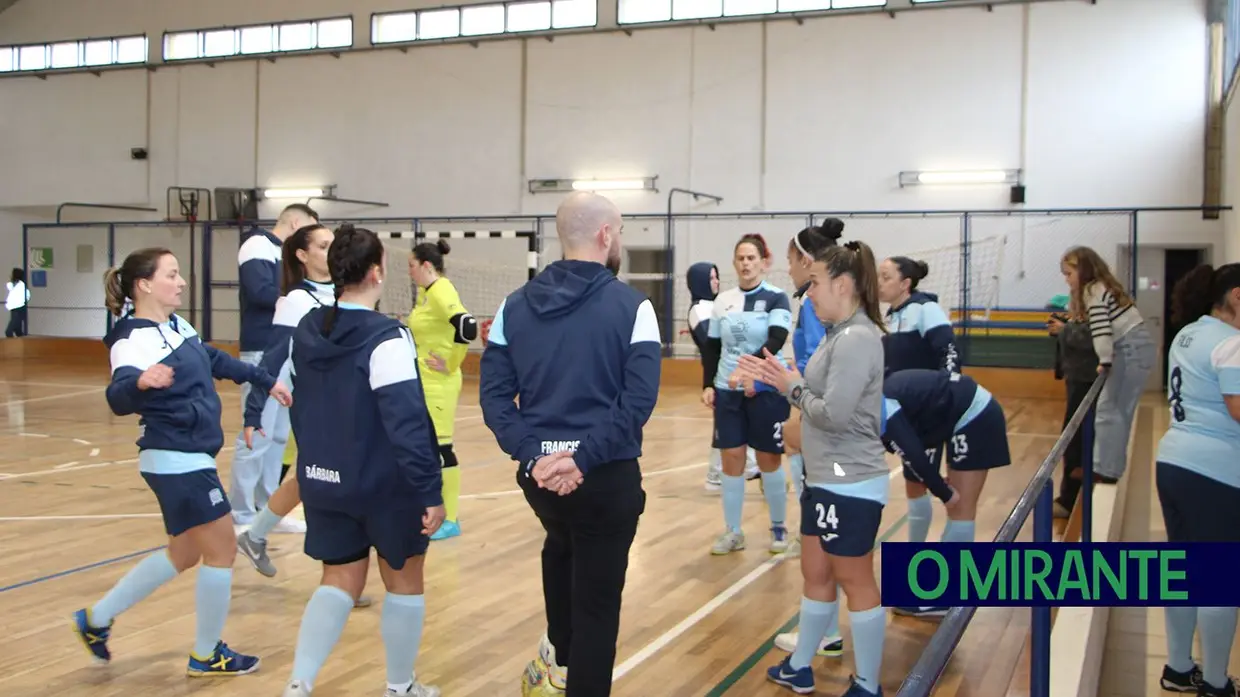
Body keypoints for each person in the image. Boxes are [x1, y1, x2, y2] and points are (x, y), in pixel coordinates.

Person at [72, 247, 291, 676]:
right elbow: (118, 396)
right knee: (223, 548)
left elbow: (215, 360)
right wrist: (140, 381)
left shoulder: (176, 326)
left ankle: (95, 620)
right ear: (144, 285)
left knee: (184, 552)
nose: (182, 282)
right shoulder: (131, 339)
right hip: (176, 458)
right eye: (171, 275)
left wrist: (266, 380)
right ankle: (207, 654)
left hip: (188, 457)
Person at [479, 191, 659, 697]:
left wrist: (534, 455)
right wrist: (581, 460)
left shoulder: (513, 305)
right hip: (604, 477)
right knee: (597, 611)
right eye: (620, 231)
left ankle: (558, 655)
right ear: (606, 235)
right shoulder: (635, 307)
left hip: (541, 480)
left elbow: (494, 397)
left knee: (561, 542)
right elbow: (637, 401)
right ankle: (567, 668)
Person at [279, 224, 445, 697]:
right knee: (404, 580)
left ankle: (298, 684)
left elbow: (300, 403)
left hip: (323, 479)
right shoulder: (386, 337)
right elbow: (406, 423)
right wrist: (429, 490)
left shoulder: (308, 328)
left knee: (338, 579)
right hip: (383, 485)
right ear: (376, 272)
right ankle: (400, 686)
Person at [737, 240, 889, 697]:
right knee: (816, 573)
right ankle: (801, 666)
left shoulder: (857, 338)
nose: (808, 293)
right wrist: (783, 380)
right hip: (825, 478)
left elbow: (834, 414)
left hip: (850, 481)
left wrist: (792, 387)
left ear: (842, 285)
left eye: (815, 283)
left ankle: (868, 683)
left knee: (855, 579)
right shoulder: (836, 334)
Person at [234, 225, 354, 578]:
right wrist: (254, 412)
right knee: (330, 481)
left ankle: (256, 535)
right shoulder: (296, 301)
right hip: (315, 405)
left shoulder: (345, 293)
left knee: (319, 479)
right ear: (302, 255)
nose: (331, 251)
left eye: (334, 245)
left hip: (344, 402)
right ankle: (341, 574)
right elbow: (272, 360)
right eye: (323, 246)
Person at [1152, 263, 1240, 697]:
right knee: (1220, 579)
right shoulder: (1232, 343)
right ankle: (1218, 683)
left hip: (1173, 462)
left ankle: (1179, 668)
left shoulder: (1188, 334)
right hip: (1215, 472)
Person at [771, 219, 845, 657]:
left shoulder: (816, 305)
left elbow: (818, 370)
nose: (789, 269)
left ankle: (823, 631)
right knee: (828, 536)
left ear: (805, 259)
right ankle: (826, 628)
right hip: (823, 423)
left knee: (820, 539)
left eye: (790, 259)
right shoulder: (827, 302)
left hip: (820, 427)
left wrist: (797, 413)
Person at [881, 368, 1008, 618]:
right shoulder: (879, 392)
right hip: (964, 412)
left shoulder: (880, 404)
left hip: (975, 414)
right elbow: (913, 450)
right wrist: (938, 483)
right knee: (958, 507)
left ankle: (943, 597)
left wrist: (944, 492)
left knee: (960, 507)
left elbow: (912, 453)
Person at [703, 233, 795, 556]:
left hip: (766, 387)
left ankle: (779, 527)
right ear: (734, 263)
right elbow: (712, 347)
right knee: (731, 457)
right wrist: (708, 384)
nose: (746, 264)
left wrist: (750, 370)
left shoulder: (776, 297)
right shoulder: (723, 301)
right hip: (728, 390)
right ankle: (733, 531)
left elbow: (777, 338)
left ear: (763, 262)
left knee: (769, 459)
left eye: (751, 258)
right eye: (740, 258)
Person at [231, 203, 320, 527]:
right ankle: (241, 513)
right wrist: (298, 299)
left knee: (279, 436)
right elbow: (259, 292)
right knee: (257, 433)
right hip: (262, 351)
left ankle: (268, 509)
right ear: (294, 222)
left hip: (288, 351)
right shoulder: (258, 244)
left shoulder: (287, 258)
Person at [877, 255, 959, 546]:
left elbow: (949, 352)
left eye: (886, 277)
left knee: (924, 481)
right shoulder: (891, 317)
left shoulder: (926, 309)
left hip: (928, 411)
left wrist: (943, 397)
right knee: (914, 484)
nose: (879, 283)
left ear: (905, 283)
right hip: (902, 411)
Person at [1061, 246, 1155, 483]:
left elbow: (1101, 329)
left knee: (1110, 410)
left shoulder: (1093, 290)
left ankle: (1107, 470)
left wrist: (1104, 360)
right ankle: (1107, 467)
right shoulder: (1102, 287)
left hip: (1130, 348)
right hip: (1134, 346)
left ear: (1083, 271)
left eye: (1069, 274)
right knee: (1111, 410)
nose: (1067, 280)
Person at [406, 239, 478, 540]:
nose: (409, 271)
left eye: (412, 265)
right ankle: (428, 510)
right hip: (423, 381)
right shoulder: (426, 293)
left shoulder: (441, 290)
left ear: (426, 265)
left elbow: (467, 325)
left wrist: (452, 362)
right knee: (425, 446)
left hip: (439, 384)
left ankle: (450, 519)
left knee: (442, 448)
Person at [685, 261, 759, 491]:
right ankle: (718, 472)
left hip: (732, 370)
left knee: (739, 419)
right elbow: (712, 342)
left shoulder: (717, 304)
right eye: (711, 278)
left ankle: (743, 467)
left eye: (716, 276)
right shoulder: (699, 309)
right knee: (726, 424)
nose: (716, 281)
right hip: (720, 374)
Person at [1047, 304, 1099, 518]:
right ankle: (1073, 496)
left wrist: (1065, 329)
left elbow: (1096, 337)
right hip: (1080, 377)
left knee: (1075, 439)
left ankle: (1070, 499)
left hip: (1087, 378)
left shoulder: (1097, 298)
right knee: (1075, 439)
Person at [5, 267, 29, 337]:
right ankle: (21, 341)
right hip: (16, 308)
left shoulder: (19, 285)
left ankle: (15, 342)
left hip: (17, 308)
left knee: (12, 330)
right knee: (17, 330)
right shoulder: (16, 285)